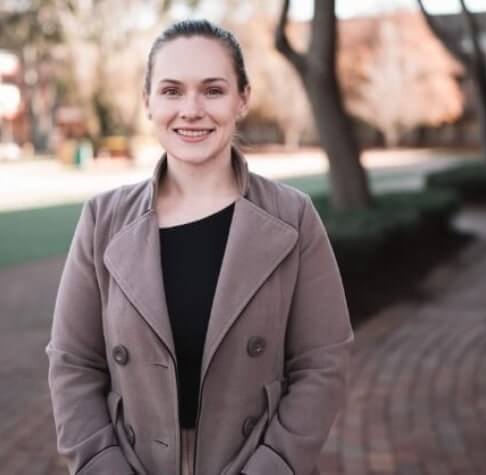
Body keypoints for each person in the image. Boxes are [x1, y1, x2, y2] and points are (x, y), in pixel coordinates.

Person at [45, 19, 354, 475]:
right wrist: (101, 464)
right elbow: (73, 363)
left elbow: (323, 363)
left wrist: (273, 465)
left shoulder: (294, 216)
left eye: (212, 90)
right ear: (148, 101)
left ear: (242, 98)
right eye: (171, 91)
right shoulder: (102, 219)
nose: (191, 109)